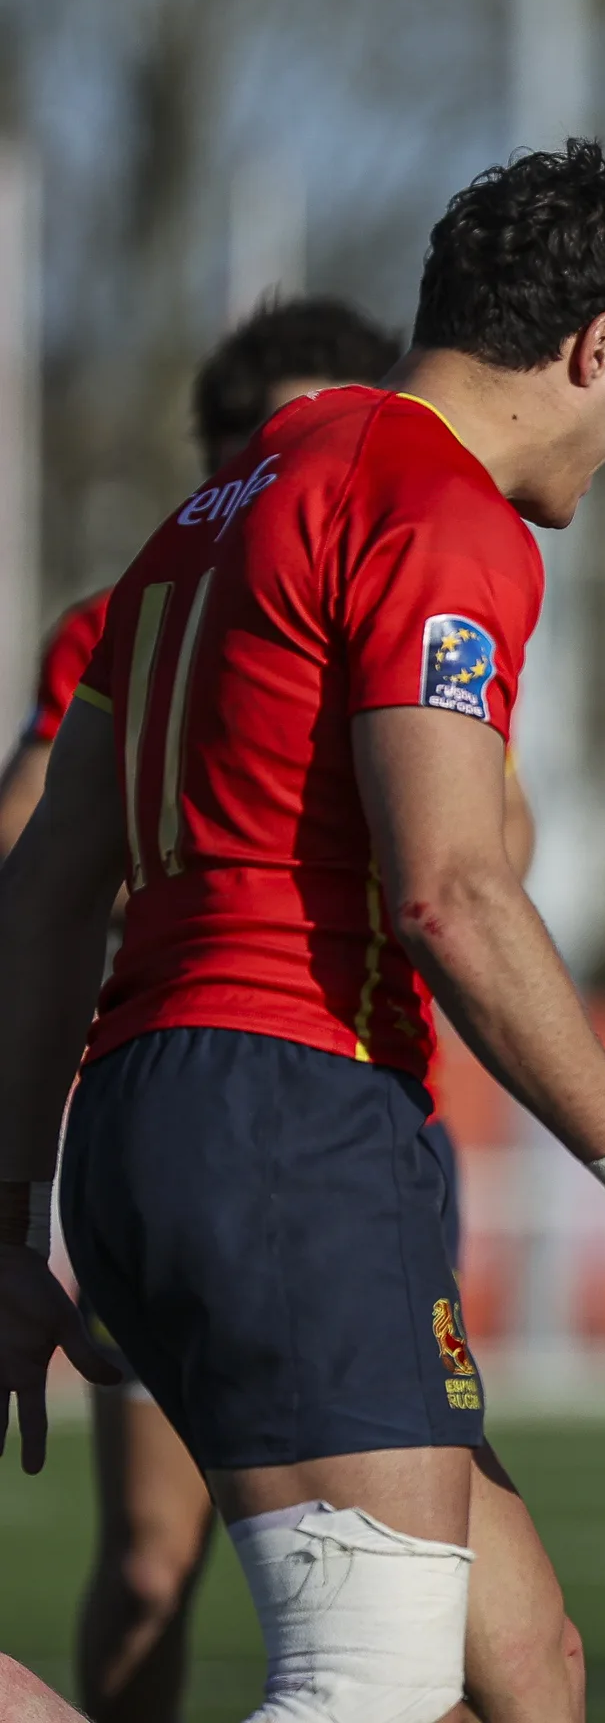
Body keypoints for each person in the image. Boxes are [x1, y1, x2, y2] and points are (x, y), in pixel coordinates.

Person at [0, 141, 605, 1723]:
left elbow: (48, 889)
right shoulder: (438, 508)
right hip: (291, 1119)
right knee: (372, 1690)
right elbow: (453, 891)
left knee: (519, 1668)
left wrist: (9, 1212)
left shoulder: (202, 515)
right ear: (596, 344)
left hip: (148, 1121)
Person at [0, 296, 534, 1723]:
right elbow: (37, 861)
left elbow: (487, 858)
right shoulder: (153, 599)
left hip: (336, 1117)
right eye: (276, 439)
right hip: (254, 1105)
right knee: (241, 1599)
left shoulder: (390, 553)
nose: (309, 462)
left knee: (523, 1658)